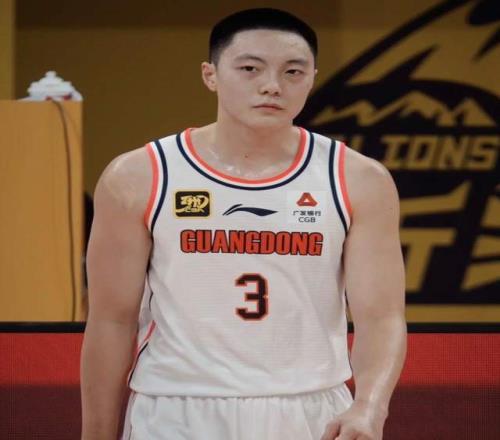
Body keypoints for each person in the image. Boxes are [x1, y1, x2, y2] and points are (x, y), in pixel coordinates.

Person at [80, 8, 406, 440]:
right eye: (250, 68)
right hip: (176, 406)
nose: (272, 85)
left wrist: (369, 407)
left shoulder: (358, 178)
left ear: (312, 78)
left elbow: (381, 318)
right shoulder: (139, 176)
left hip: (309, 407)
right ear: (210, 75)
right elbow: (111, 321)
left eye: (293, 71)